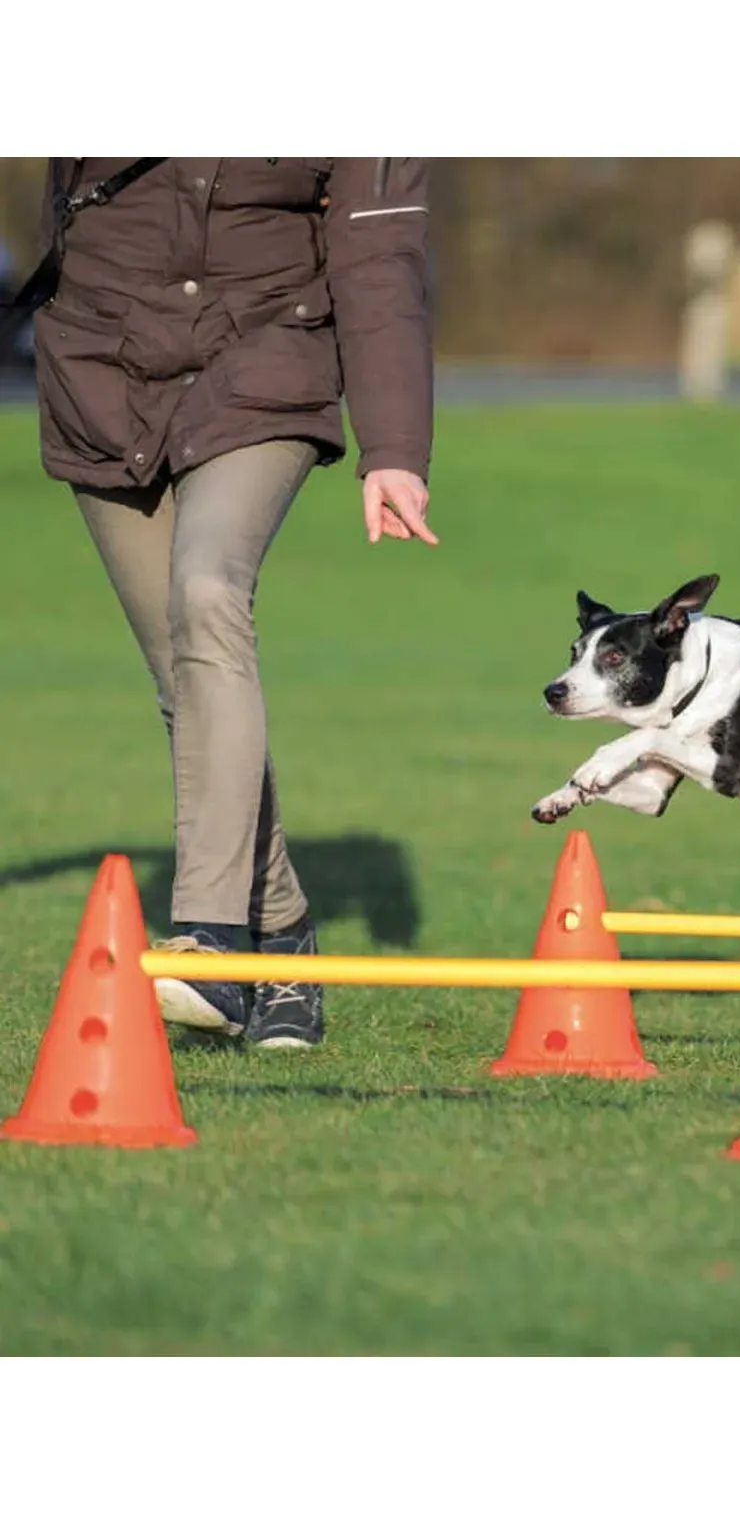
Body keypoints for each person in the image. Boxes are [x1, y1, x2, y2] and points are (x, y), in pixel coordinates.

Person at [30, 158, 436, 1048]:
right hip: (103, 374)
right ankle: (285, 940)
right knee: (188, 681)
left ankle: (209, 943)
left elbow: (380, 255)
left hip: (263, 365)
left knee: (209, 591)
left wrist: (395, 446)